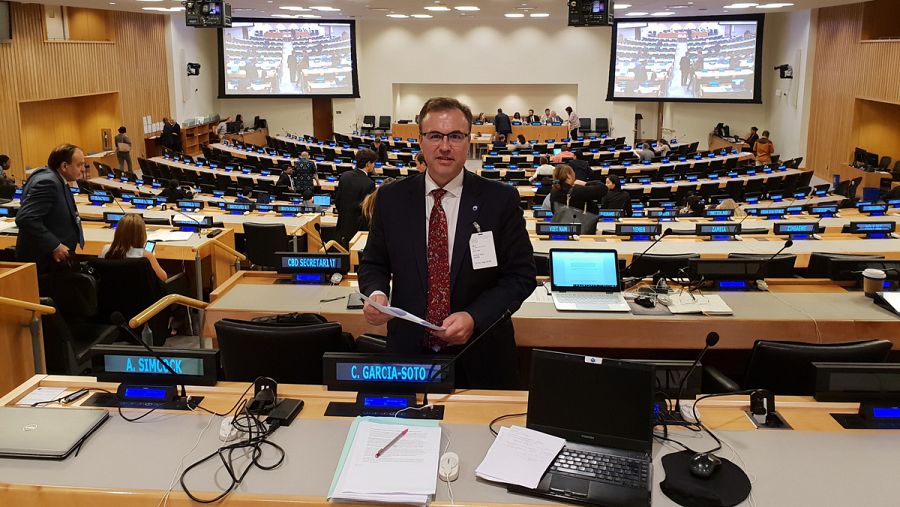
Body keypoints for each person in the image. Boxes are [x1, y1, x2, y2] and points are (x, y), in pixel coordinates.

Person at [359, 97, 535, 389]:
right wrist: (376, 293)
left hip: (482, 356)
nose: (444, 146)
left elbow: (521, 275)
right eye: (435, 136)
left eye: (455, 136)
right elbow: (374, 262)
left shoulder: (500, 199)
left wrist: (474, 317)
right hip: (409, 357)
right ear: (420, 141)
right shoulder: (391, 199)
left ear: (469, 141)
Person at [15, 144, 85, 273]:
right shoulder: (48, 182)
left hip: (50, 257)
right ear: (64, 166)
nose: (83, 170)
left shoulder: (51, 177)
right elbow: (26, 218)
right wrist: (55, 246)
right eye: (79, 165)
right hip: (45, 259)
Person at [99, 214, 167, 282]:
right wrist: (152, 257)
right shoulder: (146, 255)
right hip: (140, 292)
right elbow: (163, 278)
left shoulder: (106, 250)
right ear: (142, 235)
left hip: (110, 291)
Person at [335, 148, 376, 246]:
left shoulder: (344, 176)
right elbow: (367, 210)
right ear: (368, 163)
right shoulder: (369, 183)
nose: (374, 165)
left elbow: (337, 201)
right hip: (358, 231)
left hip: (342, 227)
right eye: (373, 163)